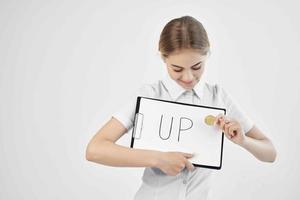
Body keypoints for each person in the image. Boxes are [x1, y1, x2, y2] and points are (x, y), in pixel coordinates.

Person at [85, 15, 277, 200]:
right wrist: (157, 159)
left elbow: (270, 152)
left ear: (207, 55)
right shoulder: (149, 95)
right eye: (177, 69)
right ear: (163, 58)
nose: (188, 78)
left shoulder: (218, 97)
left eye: (196, 67)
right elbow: (95, 149)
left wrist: (243, 141)